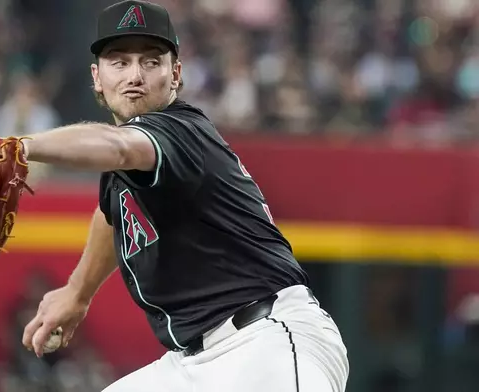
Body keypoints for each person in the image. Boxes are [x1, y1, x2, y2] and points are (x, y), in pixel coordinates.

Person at [17, 1, 349, 391]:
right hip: (191, 361)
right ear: (97, 77)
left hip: (265, 342)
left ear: (175, 74)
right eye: (119, 62)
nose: (135, 75)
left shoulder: (179, 130)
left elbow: (120, 147)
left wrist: (21, 145)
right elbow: (112, 214)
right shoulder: (125, 169)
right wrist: (77, 292)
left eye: (151, 61)